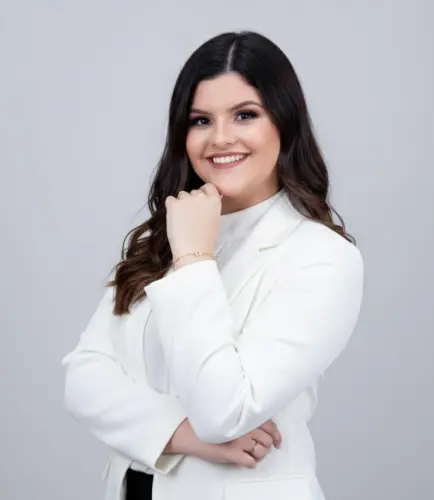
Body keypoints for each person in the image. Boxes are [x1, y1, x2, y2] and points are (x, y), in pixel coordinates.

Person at [62, 30, 364, 500]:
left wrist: (193, 258)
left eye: (245, 115)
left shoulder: (322, 257)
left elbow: (225, 410)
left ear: (284, 123)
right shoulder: (162, 238)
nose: (220, 138)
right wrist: (184, 434)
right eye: (200, 120)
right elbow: (83, 377)